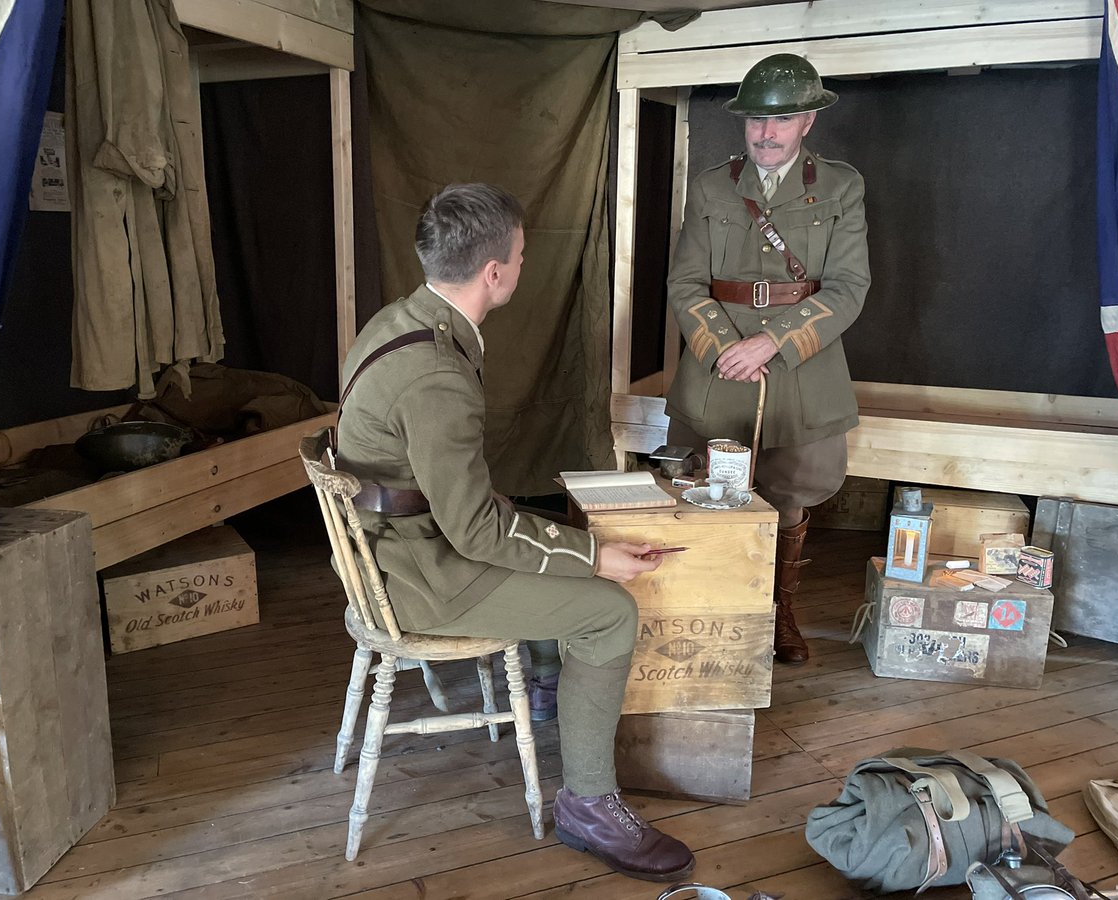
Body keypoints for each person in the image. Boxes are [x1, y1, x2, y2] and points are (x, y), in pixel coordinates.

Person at [335, 183, 696, 883]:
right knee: (609, 612)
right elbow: (473, 531)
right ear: (493, 272)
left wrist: (572, 550)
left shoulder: (396, 322)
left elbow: (459, 502)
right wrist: (596, 557)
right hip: (417, 576)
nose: (524, 266)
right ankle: (589, 803)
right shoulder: (435, 373)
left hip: (391, 544)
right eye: (522, 256)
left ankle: (543, 686)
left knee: (548, 552)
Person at [665, 54, 871, 665]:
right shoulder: (710, 187)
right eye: (755, 121)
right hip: (719, 364)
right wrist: (725, 346)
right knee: (704, 490)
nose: (766, 134)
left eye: (781, 122)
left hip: (801, 367)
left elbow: (848, 287)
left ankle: (778, 614)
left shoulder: (840, 187)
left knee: (788, 494)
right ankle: (708, 608)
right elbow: (684, 285)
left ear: (808, 120)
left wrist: (772, 341)